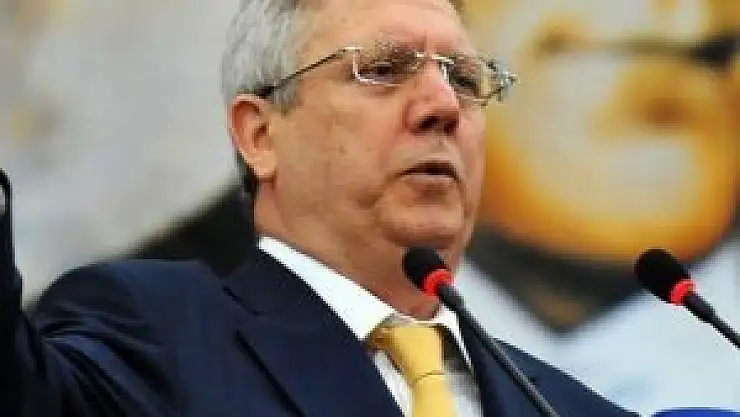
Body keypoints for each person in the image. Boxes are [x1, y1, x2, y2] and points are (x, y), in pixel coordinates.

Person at [1, 0, 638, 416]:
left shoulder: (572, 407)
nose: (444, 106)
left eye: (466, 80)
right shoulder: (156, 330)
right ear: (260, 134)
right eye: (384, 69)